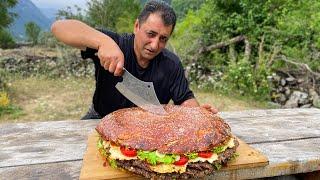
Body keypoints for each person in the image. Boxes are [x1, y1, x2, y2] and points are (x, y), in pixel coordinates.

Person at [51, 0, 217, 119]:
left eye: (163, 39)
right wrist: (103, 42)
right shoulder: (116, 43)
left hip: (149, 127)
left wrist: (197, 114)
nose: (154, 45)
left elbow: (185, 99)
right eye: (151, 34)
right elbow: (59, 27)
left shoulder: (171, 65)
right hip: (100, 118)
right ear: (137, 26)